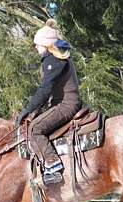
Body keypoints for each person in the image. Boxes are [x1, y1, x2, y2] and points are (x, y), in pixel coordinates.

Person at [16, 19, 82, 185]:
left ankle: (53, 166)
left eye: (37, 44)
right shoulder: (57, 57)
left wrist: (28, 109)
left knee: (34, 129)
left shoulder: (53, 60)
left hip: (66, 105)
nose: (36, 47)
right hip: (63, 102)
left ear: (46, 45)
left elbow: (45, 89)